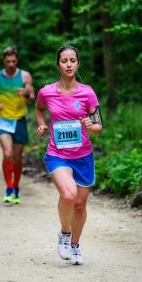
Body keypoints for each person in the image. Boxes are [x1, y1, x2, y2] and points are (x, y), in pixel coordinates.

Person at [35, 45, 103, 265]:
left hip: (83, 155)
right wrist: (42, 124)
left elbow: (99, 126)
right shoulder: (46, 91)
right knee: (68, 194)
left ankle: (75, 245)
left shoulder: (87, 92)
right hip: (57, 154)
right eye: (64, 61)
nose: (68, 65)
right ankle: (64, 235)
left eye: (72, 60)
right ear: (58, 64)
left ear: (78, 63)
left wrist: (91, 125)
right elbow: (39, 107)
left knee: (81, 206)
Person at [0, 46, 35, 204]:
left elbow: (32, 98)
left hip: (19, 119)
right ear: (4, 61)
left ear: (17, 60)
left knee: (17, 158)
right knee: (7, 154)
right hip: (3, 120)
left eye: (14, 61)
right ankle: (8, 188)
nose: (11, 64)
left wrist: (26, 94)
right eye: (8, 61)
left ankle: (16, 186)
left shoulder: (25, 76)